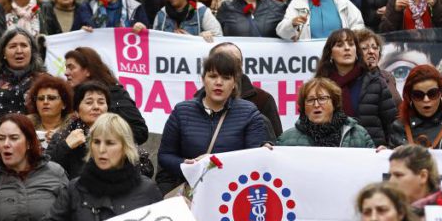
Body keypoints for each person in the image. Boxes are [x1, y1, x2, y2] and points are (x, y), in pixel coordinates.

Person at [13, 113, 162, 221]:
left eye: (110, 143)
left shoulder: (147, 190)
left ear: (125, 147)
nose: (101, 149)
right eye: (96, 142)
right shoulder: (76, 188)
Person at [157, 52, 267, 194]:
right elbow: (165, 155)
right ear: (203, 79)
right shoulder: (182, 111)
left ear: (234, 83)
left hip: (233, 194)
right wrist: (186, 165)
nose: (219, 82)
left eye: (226, 77)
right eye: (213, 76)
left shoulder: (249, 112)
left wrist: (214, 162)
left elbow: (254, 159)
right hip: (192, 194)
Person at [315, 29, 396, 146]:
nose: (347, 48)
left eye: (351, 44)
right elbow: (308, 124)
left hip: (371, 151)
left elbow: (392, 124)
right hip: (331, 151)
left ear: (357, 51)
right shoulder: (320, 86)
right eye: (340, 45)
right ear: (330, 53)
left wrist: (388, 148)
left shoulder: (375, 82)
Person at [62, 47, 148, 145]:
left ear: (88, 70)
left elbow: (140, 131)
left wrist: (106, 141)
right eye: (89, 102)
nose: (66, 73)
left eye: (71, 68)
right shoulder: (67, 98)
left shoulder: (115, 95)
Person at [0, 28, 45, 134]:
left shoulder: (44, 81)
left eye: (24, 45)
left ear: (32, 51)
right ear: (3, 53)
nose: (19, 51)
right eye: (13, 46)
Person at [209, 42, 283, 137]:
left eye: (236, 61)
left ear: (241, 65)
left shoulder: (263, 99)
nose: (230, 65)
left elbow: (275, 141)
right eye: (223, 60)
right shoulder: (197, 103)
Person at [276, 77, 374, 147]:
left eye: (322, 98)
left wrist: (379, 155)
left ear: (334, 103)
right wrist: (269, 153)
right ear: (303, 106)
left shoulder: (358, 134)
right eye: (310, 100)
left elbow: (373, 165)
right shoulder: (286, 139)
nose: (316, 105)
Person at [47, 81, 109, 179]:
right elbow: (46, 171)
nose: (96, 107)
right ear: (76, 111)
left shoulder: (119, 134)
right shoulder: (62, 136)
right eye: (89, 102)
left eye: (101, 102)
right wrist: (66, 146)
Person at [356, 28, 401, 106]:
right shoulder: (353, 81)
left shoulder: (388, 76)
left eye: (375, 47)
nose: (371, 51)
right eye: (364, 48)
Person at [26, 73, 72, 142]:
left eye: (51, 98)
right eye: (41, 98)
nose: (45, 102)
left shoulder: (73, 127)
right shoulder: (25, 126)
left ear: (64, 104)